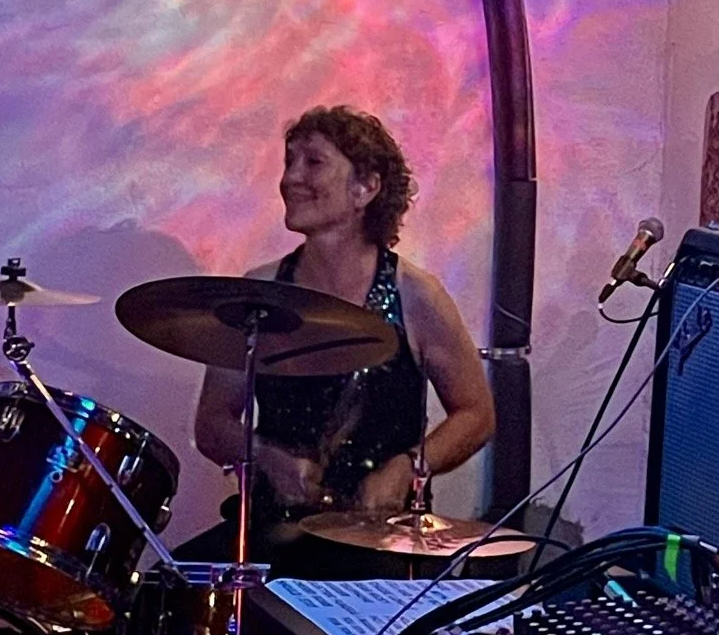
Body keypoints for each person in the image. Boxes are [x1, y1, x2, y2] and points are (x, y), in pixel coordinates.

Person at [178, 104, 495, 574]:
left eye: (313, 162)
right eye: (289, 162)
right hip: (273, 534)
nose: (290, 178)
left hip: (382, 544)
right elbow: (213, 422)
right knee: (160, 597)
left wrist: (407, 467)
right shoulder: (259, 291)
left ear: (365, 188)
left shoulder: (415, 293)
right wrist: (268, 457)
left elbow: (477, 414)